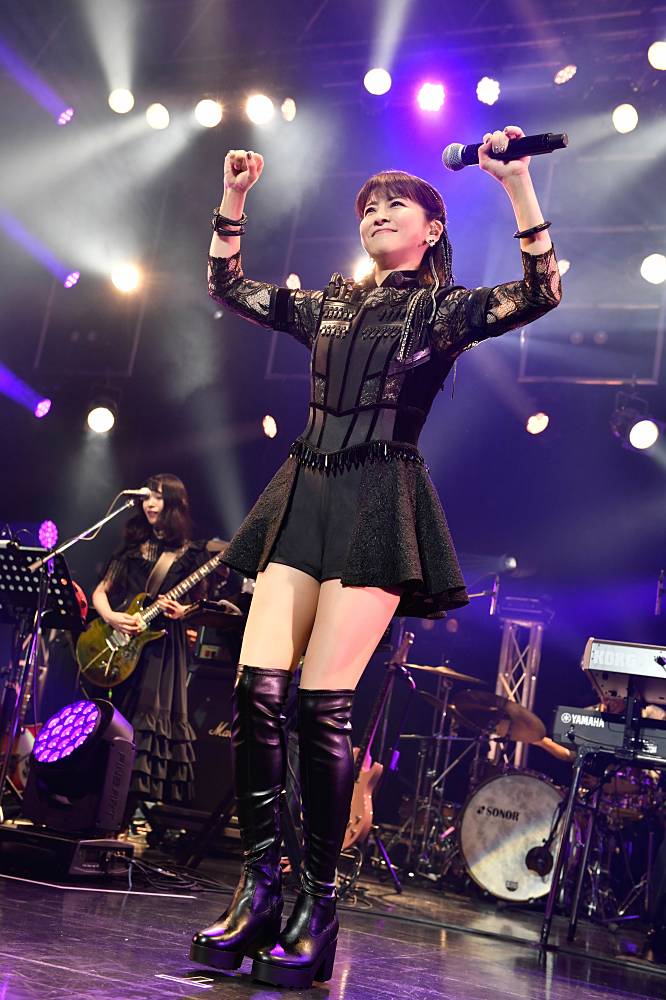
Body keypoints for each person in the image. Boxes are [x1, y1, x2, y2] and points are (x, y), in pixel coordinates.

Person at [190, 126, 562, 988]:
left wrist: (516, 185)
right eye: (367, 206)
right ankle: (259, 888)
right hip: (303, 492)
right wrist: (235, 198)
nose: (378, 213)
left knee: (322, 708)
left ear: (432, 229)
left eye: (397, 204)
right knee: (256, 693)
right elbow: (227, 284)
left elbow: (541, 291)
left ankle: (317, 907)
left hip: (377, 502)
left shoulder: (442, 310)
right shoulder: (329, 303)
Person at [91, 473, 212, 825]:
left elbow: (202, 604)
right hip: (122, 641)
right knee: (114, 716)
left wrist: (184, 611)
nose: (149, 502)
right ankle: (99, 808)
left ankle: (126, 815)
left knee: (144, 725)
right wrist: (112, 617)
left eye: (157, 496)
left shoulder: (192, 553)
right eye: (147, 496)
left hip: (163, 647)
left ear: (173, 502)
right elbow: (100, 591)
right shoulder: (132, 547)